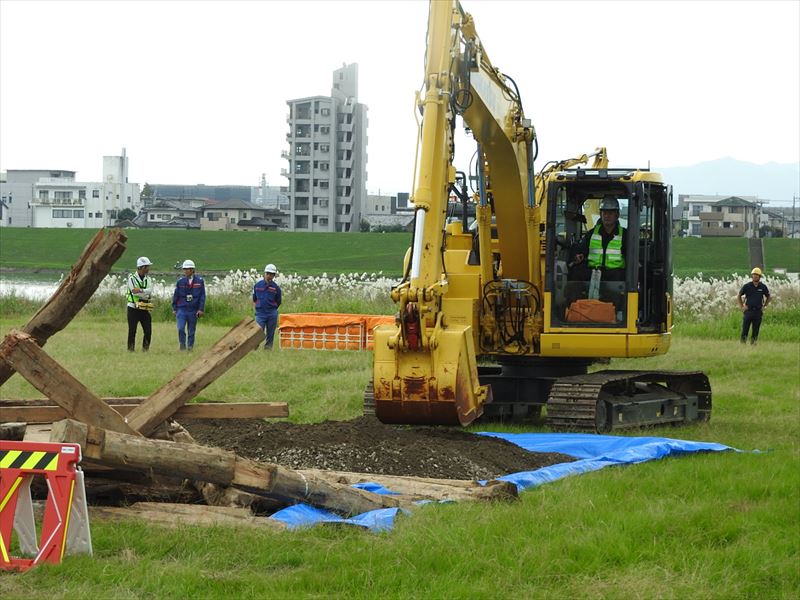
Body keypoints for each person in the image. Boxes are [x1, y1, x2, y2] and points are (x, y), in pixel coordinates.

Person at [571, 196, 627, 282]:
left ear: (617, 215)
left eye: (610, 213)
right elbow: (580, 249)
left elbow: (631, 257)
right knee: (576, 272)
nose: (607, 216)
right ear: (600, 214)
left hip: (615, 276)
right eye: (604, 213)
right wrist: (577, 255)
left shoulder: (625, 235)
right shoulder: (592, 233)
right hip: (594, 273)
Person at [172, 259, 206, 351]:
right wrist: (174, 308)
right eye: (184, 269)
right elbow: (176, 295)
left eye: (187, 269)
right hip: (182, 309)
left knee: (191, 331)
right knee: (181, 328)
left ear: (192, 270)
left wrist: (201, 309)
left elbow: (202, 296)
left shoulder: (199, 281)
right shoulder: (180, 282)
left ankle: (190, 347)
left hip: (193, 309)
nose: (185, 271)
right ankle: (182, 346)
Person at [126, 256, 154, 352]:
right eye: (147, 267)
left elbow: (150, 290)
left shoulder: (148, 279)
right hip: (133, 308)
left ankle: (145, 349)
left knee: (148, 330)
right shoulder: (132, 279)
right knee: (132, 330)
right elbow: (134, 291)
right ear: (142, 267)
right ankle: (130, 349)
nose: (149, 269)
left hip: (144, 307)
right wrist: (145, 293)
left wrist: (141, 291)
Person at [738, 267, 770, 345]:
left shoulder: (763, 287)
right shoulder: (747, 286)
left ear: (759, 277)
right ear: (752, 276)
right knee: (745, 329)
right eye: (754, 275)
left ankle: (753, 343)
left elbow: (768, 296)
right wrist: (742, 306)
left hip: (758, 311)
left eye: (757, 275)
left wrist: (764, 306)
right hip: (748, 311)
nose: (755, 276)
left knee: (756, 330)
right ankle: (743, 344)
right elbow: (739, 296)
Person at [253, 263, 282, 350]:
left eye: (272, 274)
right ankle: (254, 347)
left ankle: (268, 348)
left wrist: (272, 309)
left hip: (271, 313)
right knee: (257, 331)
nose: (269, 276)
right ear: (264, 273)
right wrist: (257, 309)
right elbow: (254, 299)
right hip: (260, 313)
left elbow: (278, 301)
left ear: (274, 276)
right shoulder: (257, 286)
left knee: (270, 332)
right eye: (268, 274)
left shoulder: (276, 288)